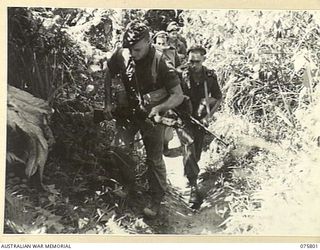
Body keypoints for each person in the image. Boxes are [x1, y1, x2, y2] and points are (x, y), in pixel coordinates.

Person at [104, 21, 184, 217]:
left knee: (154, 159)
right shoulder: (122, 53)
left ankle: (156, 200)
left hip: (152, 115)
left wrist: (160, 107)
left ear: (149, 42)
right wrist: (107, 103)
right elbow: (108, 72)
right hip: (128, 112)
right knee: (119, 148)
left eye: (137, 49)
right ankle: (129, 185)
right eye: (129, 49)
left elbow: (178, 95)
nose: (132, 53)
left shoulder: (162, 62)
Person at [180, 45, 222, 163]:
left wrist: (208, 117)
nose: (193, 65)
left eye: (197, 62)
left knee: (197, 150)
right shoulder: (181, 74)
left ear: (204, 59)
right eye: (191, 61)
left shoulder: (210, 77)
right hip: (184, 116)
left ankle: (191, 172)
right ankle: (191, 179)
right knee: (189, 145)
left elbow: (218, 98)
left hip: (200, 117)